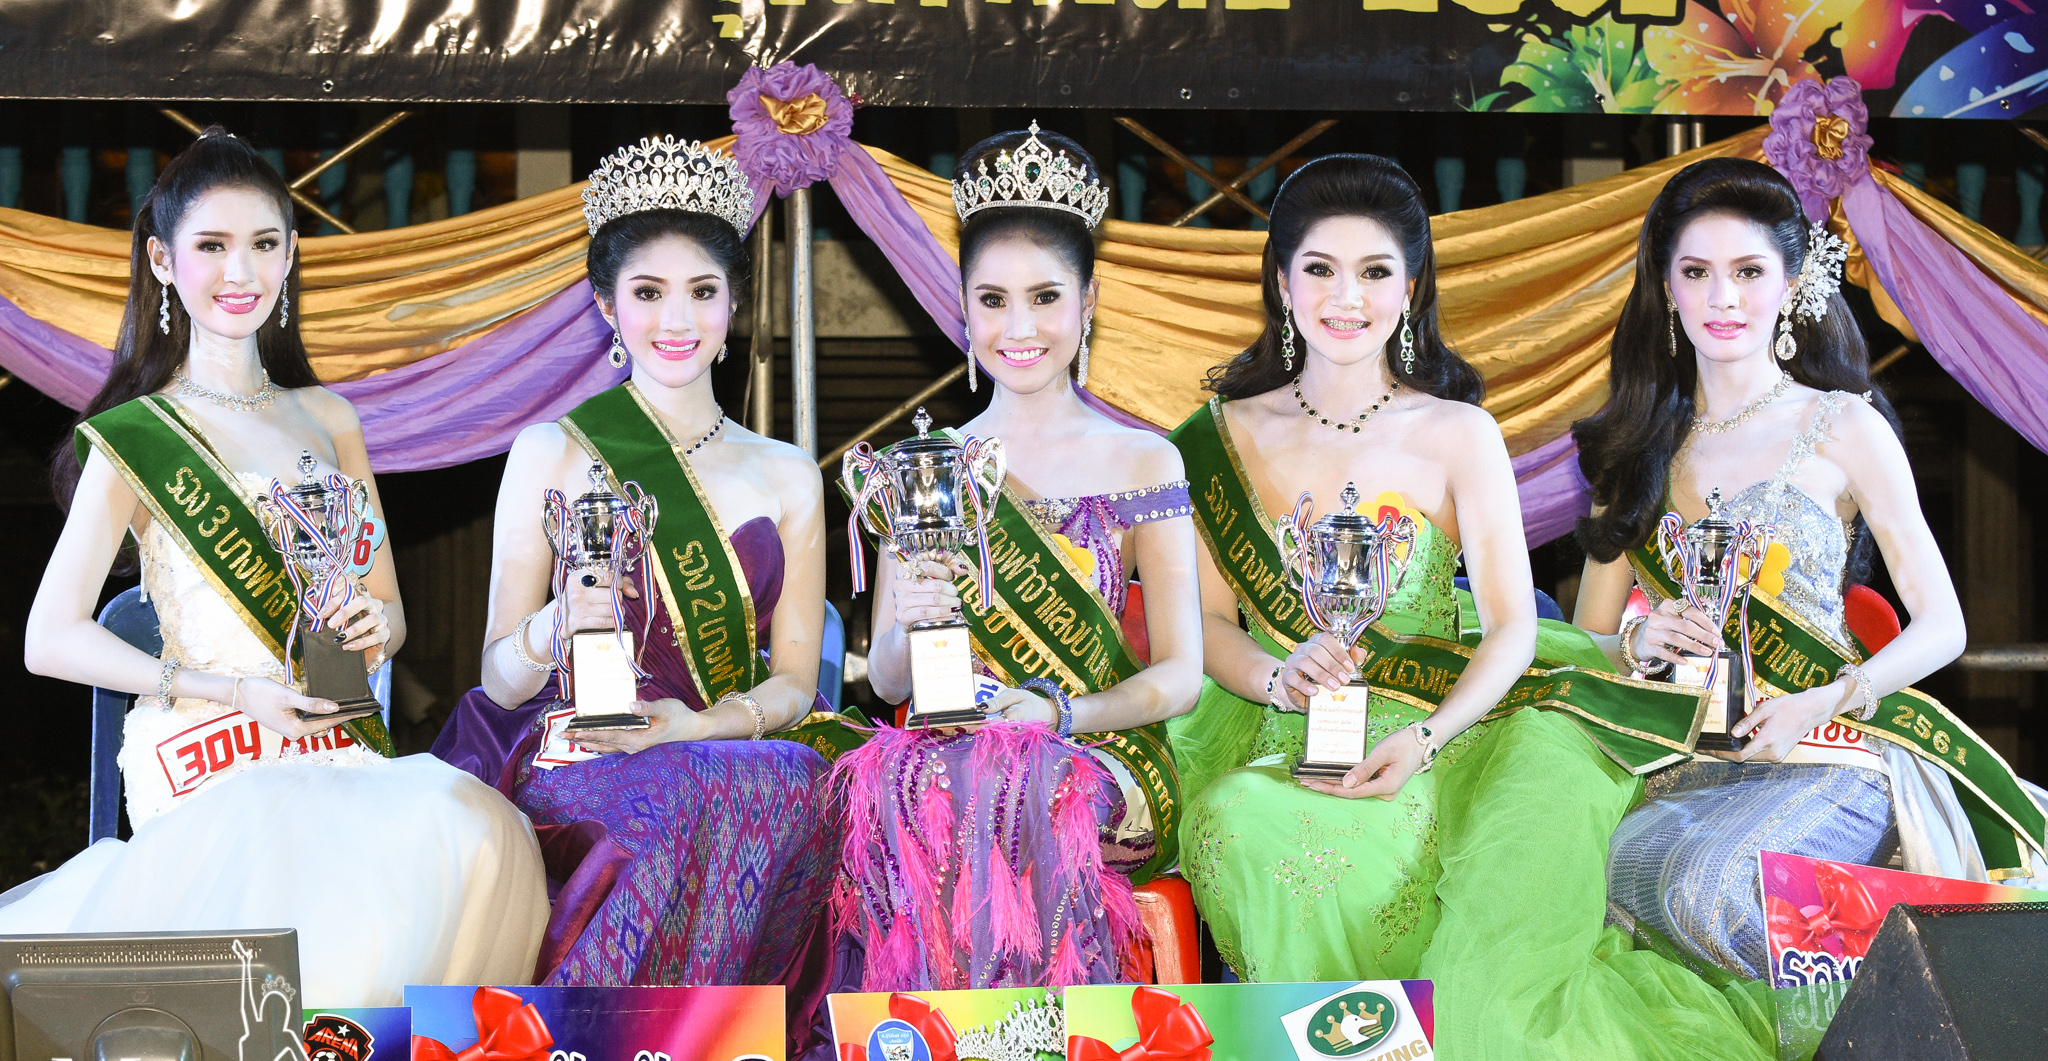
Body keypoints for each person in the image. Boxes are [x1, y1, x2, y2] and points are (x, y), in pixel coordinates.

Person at [2, 128, 548, 1009]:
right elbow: (48, 638)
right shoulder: (138, 435)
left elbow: (389, 611)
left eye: (263, 243)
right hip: (211, 755)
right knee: (317, 888)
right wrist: (224, 689)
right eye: (212, 246)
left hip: (335, 742)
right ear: (163, 261)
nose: (240, 270)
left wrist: (375, 625)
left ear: (291, 255)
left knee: (474, 832)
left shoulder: (329, 418)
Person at [1578, 158, 2044, 988]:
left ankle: (1848, 1052)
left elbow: (1944, 625)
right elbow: (1586, 642)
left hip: (1827, 748)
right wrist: (1639, 640)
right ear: (1667, 289)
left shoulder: (1843, 426)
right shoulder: (1635, 443)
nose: (1723, 297)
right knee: (1594, 878)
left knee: (1710, 889)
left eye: (1749, 272)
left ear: (1791, 284)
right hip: (1678, 755)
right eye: (1697, 272)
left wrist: (1829, 697)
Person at [1168, 153, 1606, 983]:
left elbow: (1513, 627)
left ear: (1409, 288)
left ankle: (1392, 1056)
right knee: (1237, 819)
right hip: (1275, 738)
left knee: (1372, 856)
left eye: (1374, 272)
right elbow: (1211, 623)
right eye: (1320, 270)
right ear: (1282, 283)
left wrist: (1424, 741)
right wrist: (1276, 676)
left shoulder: (1459, 433)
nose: (1347, 297)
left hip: (1433, 742)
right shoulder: (1217, 436)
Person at [432, 136, 847, 988]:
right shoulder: (551, 450)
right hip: (578, 748)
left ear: (735, 302)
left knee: (793, 779)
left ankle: (721, 1046)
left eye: (703, 291)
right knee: (676, 794)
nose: (677, 320)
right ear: (606, 304)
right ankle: (594, 1045)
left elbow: (796, 682)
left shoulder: (788, 473)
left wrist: (701, 723)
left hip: (719, 735)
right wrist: (553, 626)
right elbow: (498, 681)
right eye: (649, 293)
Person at [827, 125, 1203, 992]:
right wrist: (912, 616)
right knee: (900, 780)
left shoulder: (1145, 461)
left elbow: (1182, 676)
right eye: (993, 300)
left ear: (1089, 301)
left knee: (1023, 777)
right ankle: (926, 1053)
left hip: (1097, 749)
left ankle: (1049, 1051)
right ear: (963, 306)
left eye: (1045, 297)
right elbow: (887, 679)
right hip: (952, 743)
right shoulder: (927, 468)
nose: (1019, 326)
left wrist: (1061, 714)